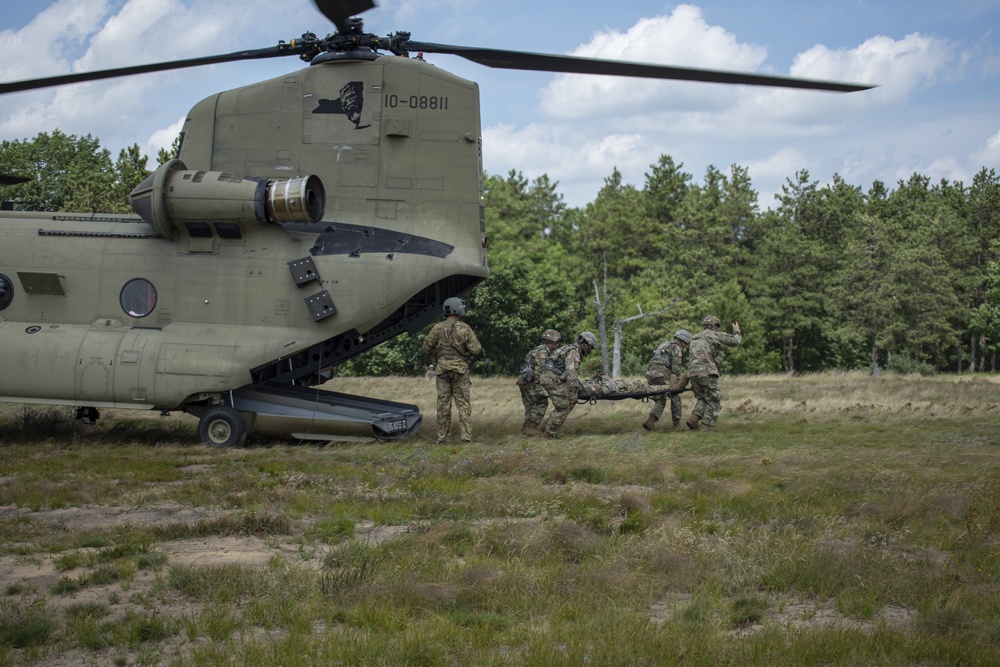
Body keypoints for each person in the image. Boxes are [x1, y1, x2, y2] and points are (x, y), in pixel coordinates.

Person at [422, 297, 483, 443]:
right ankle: (466, 438)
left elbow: (426, 347)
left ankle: (442, 438)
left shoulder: (436, 328)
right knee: (463, 405)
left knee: (443, 406)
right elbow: (476, 349)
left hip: (442, 371)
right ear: (459, 309)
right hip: (460, 372)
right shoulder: (464, 328)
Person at [686, 315, 741, 431]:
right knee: (714, 398)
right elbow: (736, 341)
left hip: (692, 373)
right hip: (706, 372)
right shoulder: (714, 335)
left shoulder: (694, 338)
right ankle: (706, 426)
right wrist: (736, 330)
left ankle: (694, 418)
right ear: (715, 326)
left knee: (702, 397)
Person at [538, 331, 597, 439]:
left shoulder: (569, 348)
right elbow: (571, 374)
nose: (590, 351)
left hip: (550, 378)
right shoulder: (574, 352)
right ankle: (548, 435)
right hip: (552, 379)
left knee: (567, 404)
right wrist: (574, 394)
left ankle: (545, 427)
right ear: (585, 344)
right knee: (563, 407)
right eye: (591, 348)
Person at [643, 329, 691, 431]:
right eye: (686, 344)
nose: (685, 346)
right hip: (662, 373)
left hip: (650, 373)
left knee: (661, 397)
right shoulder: (677, 348)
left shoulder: (664, 344)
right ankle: (676, 423)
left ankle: (650, 421)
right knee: (675, 396)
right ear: (682, 341)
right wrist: (675, 386)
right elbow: (675, 370)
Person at [517, 329, 560, 437]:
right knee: (542, 402)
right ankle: (531, 427)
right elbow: (539, 372)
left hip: (524, 381)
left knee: (530, 406)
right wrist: (541, 389)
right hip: (530, 382)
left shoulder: (536, 349)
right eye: (557, 342)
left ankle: (526, 429)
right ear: (553, 342)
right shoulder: (543, 352)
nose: (557, 345)